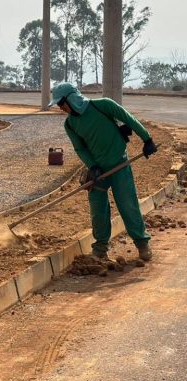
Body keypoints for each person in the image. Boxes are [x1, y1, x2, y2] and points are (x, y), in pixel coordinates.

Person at [50, 82, 157, 261]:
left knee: (127, 205)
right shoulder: (70, 124)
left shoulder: (103, 105)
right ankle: (100, 248)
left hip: (119, 165)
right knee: (98, 209)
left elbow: (129, 119)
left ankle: (142, 243)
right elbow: (80, 149)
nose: (61, 108)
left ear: (72, 99)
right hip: (98, 172)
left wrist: (147, 139)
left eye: (61, 103)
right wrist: (93, 166)